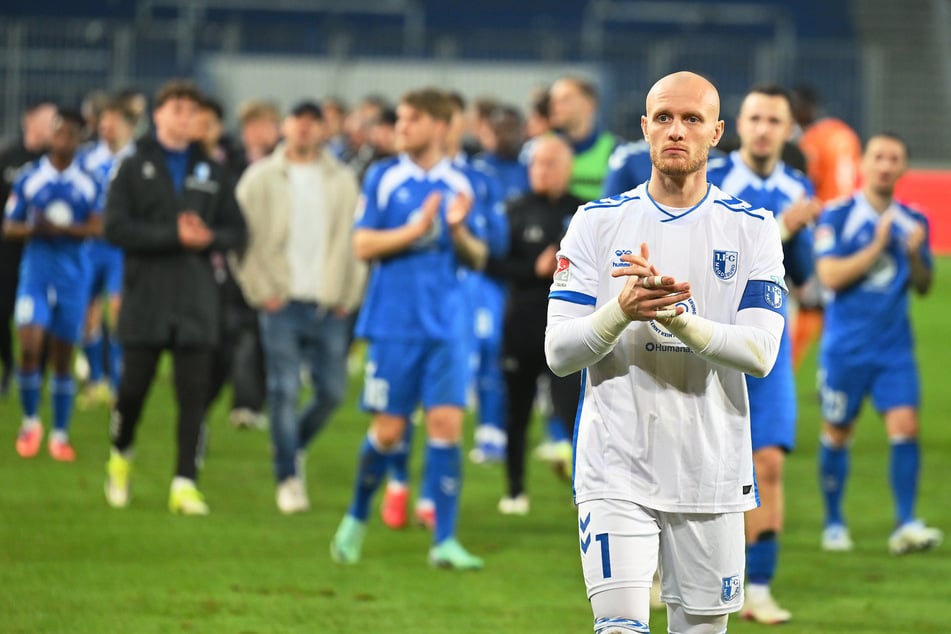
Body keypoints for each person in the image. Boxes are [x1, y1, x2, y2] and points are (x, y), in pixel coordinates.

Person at [544, 71, 786, 633]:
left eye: (692, 119)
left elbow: (761, 352)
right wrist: (622, 310)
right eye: (665, 118)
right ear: (645, 128)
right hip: (615, 464)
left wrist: (680, 319)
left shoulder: (751, 230)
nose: (677, 130)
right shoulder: (596, 223)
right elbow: (559, 351)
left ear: (717, 132)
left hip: (712, 470)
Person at [330, 88, 487, 570]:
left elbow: (480, 257)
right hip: (394, 324)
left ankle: (444, 541)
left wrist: (458, 230)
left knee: (446, 427)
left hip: (447, 327)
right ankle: (356, 517)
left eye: (411, 119)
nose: (400, 127)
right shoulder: (382, 176)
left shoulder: (463, 183)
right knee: (389, 431)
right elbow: (361, 245)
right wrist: (414, 231)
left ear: (440, 127)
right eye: (399, 119)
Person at [102, 80, 247, 515]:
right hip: (146, 295)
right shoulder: (133, 165)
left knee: (194, 396)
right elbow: (115, 228)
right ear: (158, 113)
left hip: (196, 299)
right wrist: (172, 236)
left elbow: (237, 233)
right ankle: (120, 456)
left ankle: (185, 483)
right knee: (132, 391)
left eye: (193, 111)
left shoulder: (214, 171)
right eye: (178, 109)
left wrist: (209, 239)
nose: (186, 118)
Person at [707, 84, 821, 625]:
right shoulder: (714, 181)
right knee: (695, 460)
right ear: (735, 125)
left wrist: (803, 243)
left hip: (765, 347)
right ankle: (670, 571)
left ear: (787, 130)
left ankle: (760, 587)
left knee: (769, 463)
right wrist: (783, 227)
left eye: (774, 120)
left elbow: (803, 277)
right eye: (754, 117)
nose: (763, 128)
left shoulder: (797, 185)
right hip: (706, 343)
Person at [814, 132, 943, 556]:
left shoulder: (915, 221)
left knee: (906, 428)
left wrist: (915, 258)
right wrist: (876, 247)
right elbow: (830, 277)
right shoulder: (836, 216)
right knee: (837, 432)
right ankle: (834, 522)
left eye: (894, 159)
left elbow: (924, 287)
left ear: (903, 168)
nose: (886, 166)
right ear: (864, 164)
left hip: (894, 349)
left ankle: (905, 522)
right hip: (845, 348)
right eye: (879, 157)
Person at [233, 100, 364, 514]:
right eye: (297, 120)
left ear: (324, 129)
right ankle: (287, 476)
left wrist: (349, 294)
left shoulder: (342, 179)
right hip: (281, 301)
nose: (304, 129)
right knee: (284, 390)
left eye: (313, 123)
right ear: (286, 125)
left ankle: (293, 446)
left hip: (329, 303)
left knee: (332, 392)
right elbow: (242, 241)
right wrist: (260, 291)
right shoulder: (259, 179)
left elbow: (356, 241)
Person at [486, 133, 583, 515]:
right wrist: (534, 269)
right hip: (523, 328)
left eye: (550, 163)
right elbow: (493, 264)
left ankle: (585, 490)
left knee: (576, 414)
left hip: (568, 332)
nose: (541, 171)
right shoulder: (513, 210)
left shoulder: (584, 213)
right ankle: (514, 490)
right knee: (517, 412)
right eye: (536, 163)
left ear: (567, 168)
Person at [4, 108, 102, 461]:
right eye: (60, 133)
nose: (65, 140)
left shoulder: (89, 181)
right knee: (30, 345)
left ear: (79, 140)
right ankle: (31, 422)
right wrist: (34, 229)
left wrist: (64, 230)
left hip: (73, 276)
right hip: (37, 273)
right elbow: (9, 226)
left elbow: (98, 227)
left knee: (62, 356)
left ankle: (60, 433)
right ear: (52, 135)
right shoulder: (31, 178)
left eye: (72, 134)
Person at [789, 85, 862, 369]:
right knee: (837, 303)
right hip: (848, 223)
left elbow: (809, 186)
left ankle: (792, 364)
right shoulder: (846, 133)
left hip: (823, 226)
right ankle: (838, 368)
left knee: (810, 300)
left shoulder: (812, 141)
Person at [76, 96, 138, 409]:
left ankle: (117, 383)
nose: (107, 128)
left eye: (114, 122)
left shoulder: (137, 161)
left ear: (129, 127)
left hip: (121, 248)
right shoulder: (86, 159)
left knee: (120, 312)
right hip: (90, 247)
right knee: (88, 315)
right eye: (104, 122)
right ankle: (95, 380)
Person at [0, 102, 56, 397]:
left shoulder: (54, 162)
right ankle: (9, 364)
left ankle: (34, 373)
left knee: (41, 316)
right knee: (3, 313)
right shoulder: (8, 157)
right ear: (30, 121)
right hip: (8, 251)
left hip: (43, 252)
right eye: (49, 120)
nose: (54, 126)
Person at [548, 76, 621, 201]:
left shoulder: (616, 151)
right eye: (553, 101)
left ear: (589, 105)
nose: (555, 107)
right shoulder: (540, 148)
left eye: (565, 100)